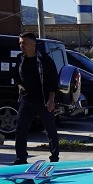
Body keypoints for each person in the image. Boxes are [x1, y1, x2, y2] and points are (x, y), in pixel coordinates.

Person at [12, 32, 60, 165]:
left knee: (50, 129)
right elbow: (15, 76)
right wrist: (19, 86)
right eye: (20, 43)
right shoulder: (20, 59)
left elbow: (53, 81)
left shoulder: (45, 60)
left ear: (33, 44)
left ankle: (54, 157)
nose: (22, 45)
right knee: (20, 129)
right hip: (26, 100)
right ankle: (21, 158)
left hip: (43, 100)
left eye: (24, 43)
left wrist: (51, 99)